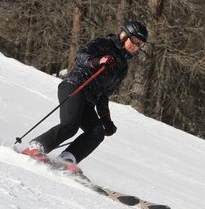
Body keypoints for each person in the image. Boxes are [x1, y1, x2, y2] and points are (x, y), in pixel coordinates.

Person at [22, 20, 148, 174]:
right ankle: (35, 148)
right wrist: (97, 61)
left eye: (140, 44)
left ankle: (66, 160)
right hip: (75, 86)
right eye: (135, 41)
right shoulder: (104, 44)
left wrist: (106, 119)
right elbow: (80, 56)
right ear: (124, 35)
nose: (136, 46)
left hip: (89, 100)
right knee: (70, 125)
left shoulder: (122, 67)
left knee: (97, 133)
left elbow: (104, 94)